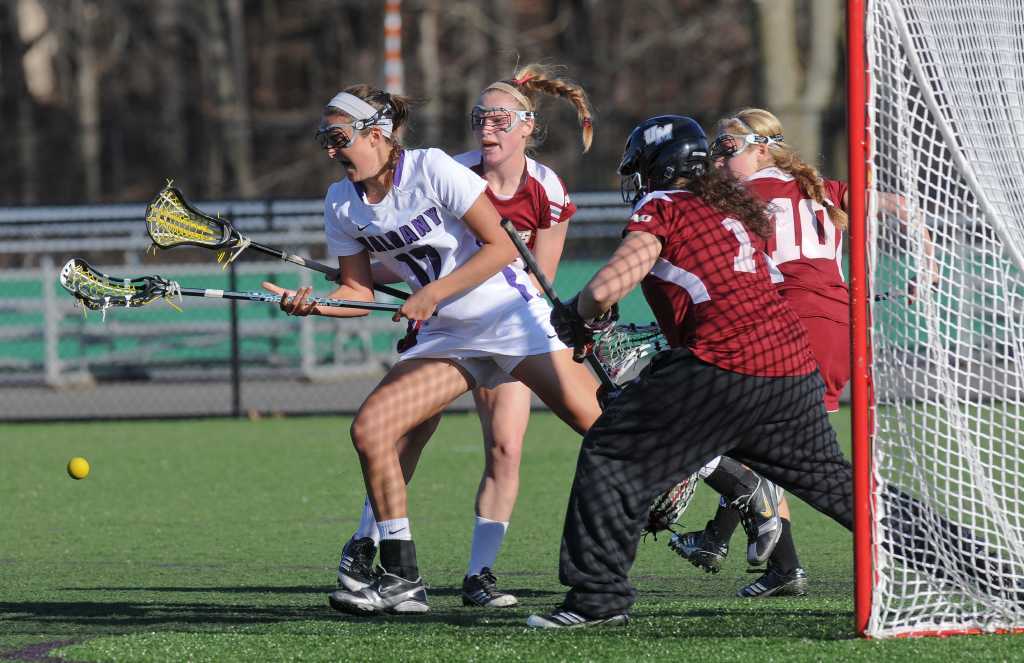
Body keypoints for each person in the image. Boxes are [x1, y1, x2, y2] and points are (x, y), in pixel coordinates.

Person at [262, 84, 604, 617]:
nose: (330, 150)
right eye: (323, 140)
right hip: (447, 337)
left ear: (375, 134)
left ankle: (727, 475)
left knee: (605, 427)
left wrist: (434, 293)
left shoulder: (432, 168)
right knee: (372, 430)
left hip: (509, 317)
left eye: (337, 137)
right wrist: (316, 306)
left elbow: (499, 248)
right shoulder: (340, 202)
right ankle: (401, 577)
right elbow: (357, 294)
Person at [526, 114, 857, 628]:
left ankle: (598, 599)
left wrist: (577, 312)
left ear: (657, 167)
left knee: (612, 451)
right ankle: (976, 564)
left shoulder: (663, 205)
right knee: (838, 487)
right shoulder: (734, 207)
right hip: (790, 369)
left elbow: (609, 284)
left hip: (726, 365)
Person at [668, 108, 850, 598]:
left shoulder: (741, 197)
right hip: (840, 327)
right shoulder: (821, 189)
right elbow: (896, 206)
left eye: (728, 148)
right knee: (770, 441)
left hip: (785, 325)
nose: (718, 159)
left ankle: (725, 539)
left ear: (761, 148)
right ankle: (762, 559)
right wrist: (926, 258)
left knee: (746, 436)